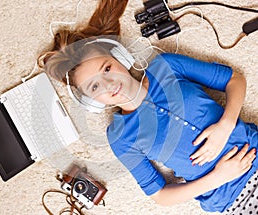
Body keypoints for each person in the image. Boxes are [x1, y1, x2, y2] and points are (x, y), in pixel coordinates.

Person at [40, 0, 258, 213]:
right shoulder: (120, 137)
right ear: (91, 101)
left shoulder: (167, 65)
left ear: (119, 57)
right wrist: (218, 177)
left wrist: (226, 126)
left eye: (107, 68)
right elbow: (160, 195)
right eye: (94, 86)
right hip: (232, 201)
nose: (110, 84)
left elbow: (234, 80)